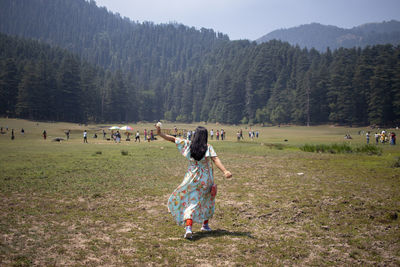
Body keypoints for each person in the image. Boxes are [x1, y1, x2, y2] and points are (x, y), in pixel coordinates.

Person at [156, 124, 232, 239]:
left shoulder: (188, 145)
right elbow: (215, 159)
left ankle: (188, 228)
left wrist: (160, 133)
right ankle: (205, 224)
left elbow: (173, 139)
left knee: (191, 201)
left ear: (195, 135)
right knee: (208, 199)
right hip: (206, 179)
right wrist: (225, 171)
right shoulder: (208, 147)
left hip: (191, 178)